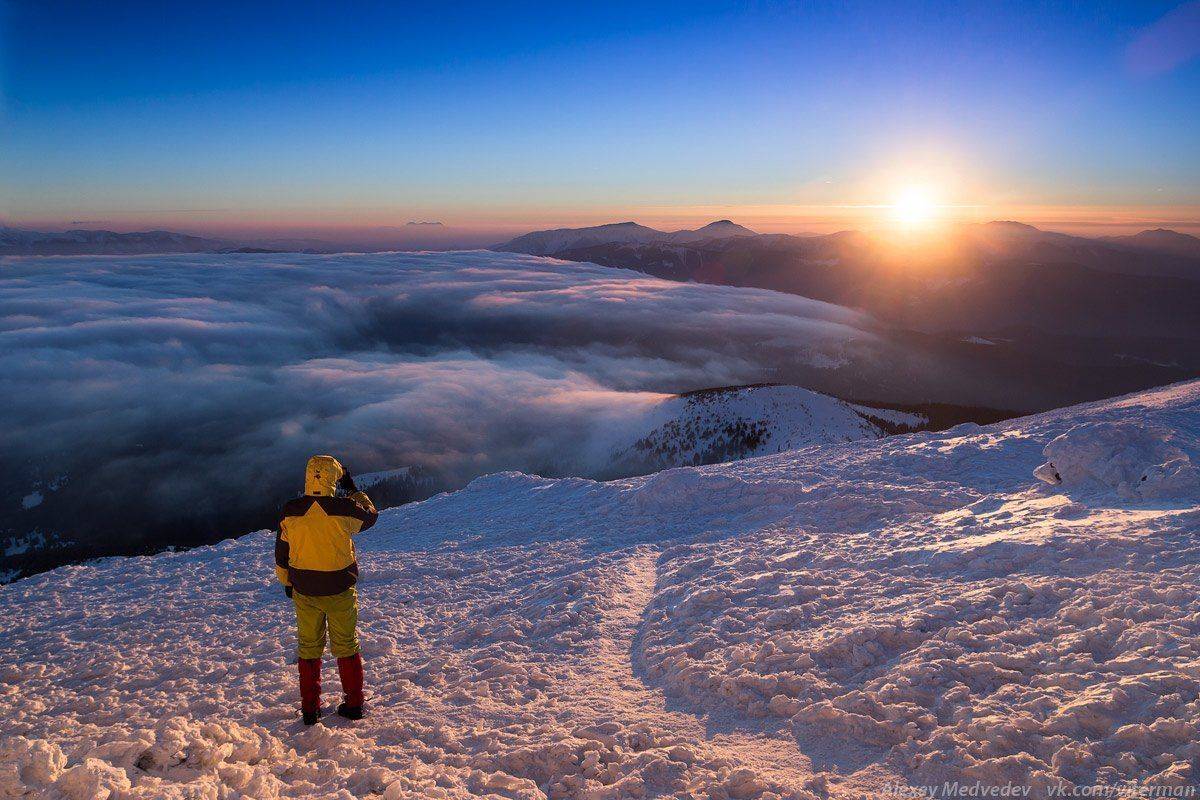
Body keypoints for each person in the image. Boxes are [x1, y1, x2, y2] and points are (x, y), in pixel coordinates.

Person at [275, 455, 378, 725]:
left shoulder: (291, 510)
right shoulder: (344, 508)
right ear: (334, 478)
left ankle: (311, 709)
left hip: (304, 589)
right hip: (339, 588)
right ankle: (354, 704)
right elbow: (371, 516)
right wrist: (353, 488)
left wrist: (287, 581)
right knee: (346, 644)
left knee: (309, 647)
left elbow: (282, 553)